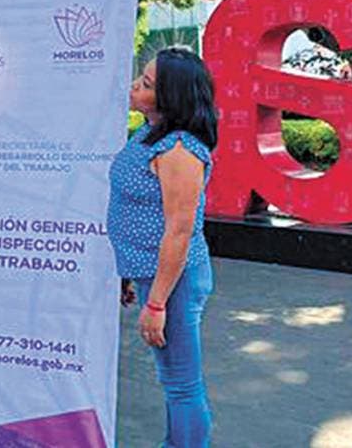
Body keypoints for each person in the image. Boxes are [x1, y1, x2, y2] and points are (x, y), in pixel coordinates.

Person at [107, 47, 219, 447]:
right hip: (151, 274)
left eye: (147, 84)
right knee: (174, 380)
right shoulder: (150, 131)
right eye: (142, 77)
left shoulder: (178, 151)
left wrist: (156, 304)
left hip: (174, 282)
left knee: (181, 384)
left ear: (170, 98)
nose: (134, 86)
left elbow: (179, 232)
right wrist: (128, 272)